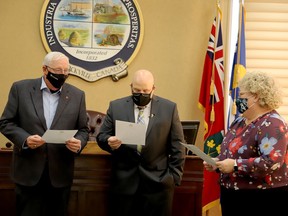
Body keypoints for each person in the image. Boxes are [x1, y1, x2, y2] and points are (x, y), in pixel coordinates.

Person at [0, 51, 89, 216]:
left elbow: (83, 129)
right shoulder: (21, 89)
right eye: (58, 71)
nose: (62, 75)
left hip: (60, 173)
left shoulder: (77, 95)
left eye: (66, 71)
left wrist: (79, 142)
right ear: (44, 69)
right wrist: (25, 139)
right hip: (28, 172)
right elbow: (5, 122)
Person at [96, 69, 186, 216]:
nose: (141, 94)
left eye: (146, 91)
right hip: (124, 184)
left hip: (158, 184)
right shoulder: (116, 106)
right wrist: (109, 141)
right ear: (131, 87)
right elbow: (102, 136)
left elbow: (178, 145)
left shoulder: (169, 108)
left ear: (153, 89)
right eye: (137, 90)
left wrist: (173, 178)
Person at [204, 71, 288, 216]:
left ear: (255, 97)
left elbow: (271, 162)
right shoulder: (239, 122)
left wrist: (235, 165)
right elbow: (232, 153)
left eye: (242, 95)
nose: (238, 99)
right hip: (232, 195)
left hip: (261, 198)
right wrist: (218, 162)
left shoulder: (273, 123)